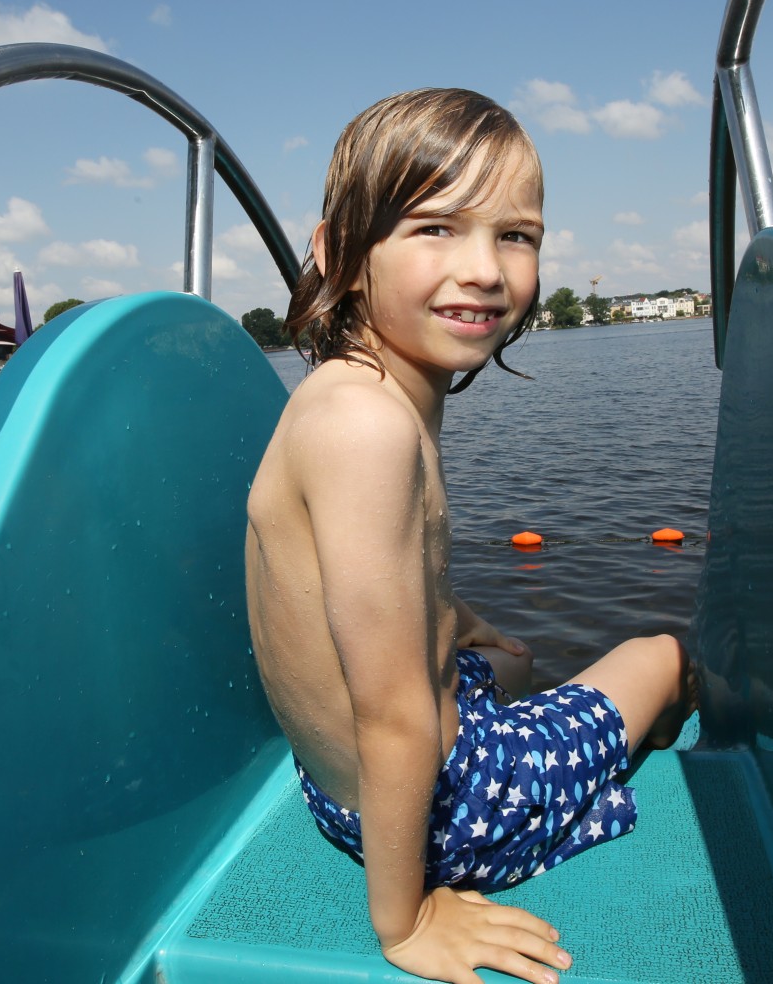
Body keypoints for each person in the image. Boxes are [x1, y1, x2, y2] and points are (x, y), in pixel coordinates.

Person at [244, 88, 693, 984]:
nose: (486, 269)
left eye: (515, 234)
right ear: (341, 252)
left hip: (337, 788)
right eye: (436, 229)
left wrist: (454, 620)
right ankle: (637, 769)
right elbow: (394, 713)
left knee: (515, 654)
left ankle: (537, 722)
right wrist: (405, 925)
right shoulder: (367, 431)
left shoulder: (350, 391)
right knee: (663, 656)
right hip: (440, 818)